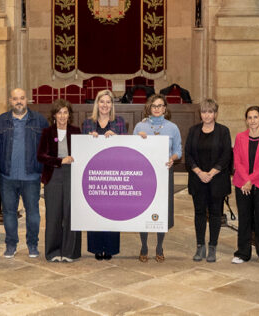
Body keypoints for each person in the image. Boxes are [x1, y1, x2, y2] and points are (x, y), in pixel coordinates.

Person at [0, 88, 47, 259]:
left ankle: (32, 244)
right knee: (9, 213)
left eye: (22, 98)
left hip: (31, 176)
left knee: (33, 213)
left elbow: (47, 146)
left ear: (27, 100)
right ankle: (11, 245)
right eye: (15, 99)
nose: (19, 101)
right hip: (7, 176)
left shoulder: (39, 121)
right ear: (10, 101)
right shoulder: (0, 121)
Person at [134, 95, 181, 262]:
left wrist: (172, 158)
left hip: (164, 172)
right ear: (149, 107)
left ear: (165, 108)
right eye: (154, 106)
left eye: (160, 106)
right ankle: (144, 246)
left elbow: (178, 150)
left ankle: (160, 246)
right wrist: (137, 139)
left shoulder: (172, 128)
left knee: (162, 209)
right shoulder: (140, 126)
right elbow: (132, 150)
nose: (157, 108)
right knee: (144, 209)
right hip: (144, 175)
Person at [184, 99, 232, 263]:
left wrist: (210, 173)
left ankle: (212, 246)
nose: (207, 115)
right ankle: (200, 246)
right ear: (200, 114)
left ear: (215, 114)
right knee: (199, 213)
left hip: (217, 179)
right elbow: (188, 154)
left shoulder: (223, 131)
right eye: (204, 112)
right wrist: (199, 172)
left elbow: (226, 155)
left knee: (215, 214)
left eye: (210, 112)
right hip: (198, 179)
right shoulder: (193, 130)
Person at [81, 89, 127, 260]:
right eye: (102, 102)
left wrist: (116, 139)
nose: (105, 105)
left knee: (111, 212)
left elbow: (126, 149)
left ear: (112, 105)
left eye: (108, 102)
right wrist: (88, 140)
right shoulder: (87, 123)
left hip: (114, 174)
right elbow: (82, 149)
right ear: (97, 104)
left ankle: (110, 248)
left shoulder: (119, 122)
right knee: (95, 211)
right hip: (94, 175)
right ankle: (96, 248)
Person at [231, 106, 259, 267]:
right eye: (249, 118)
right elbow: (237, 162)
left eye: (256, 117)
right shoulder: (240, 137)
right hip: (242, 183)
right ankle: (242, 253)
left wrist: (250, 180)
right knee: (244, 218)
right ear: (246, 120)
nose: (252, 121)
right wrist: (246, 180)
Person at [38, 99, 82, 262]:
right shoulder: (47, 132)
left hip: (72, 175)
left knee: (71, 214)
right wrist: (59, 161)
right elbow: (41, 156)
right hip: (53, 176)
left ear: (69, 114)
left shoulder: (76, 131)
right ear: (54, 115)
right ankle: (53, 252)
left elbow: (83, 153)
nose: (62, 116)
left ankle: (70, 252)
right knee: (54, 214)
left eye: (65, 112)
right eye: (59, 112)